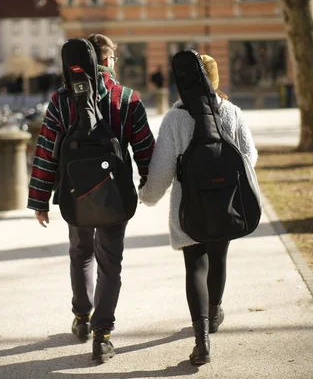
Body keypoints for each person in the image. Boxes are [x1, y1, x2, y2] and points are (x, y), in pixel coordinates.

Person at [28, 34, 155, 363]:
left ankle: (81, 319)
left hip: (75, 197)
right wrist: (148, 187)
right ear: (110, 60)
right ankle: (103, 336)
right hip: (115, 197)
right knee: (110, 265)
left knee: (81, 254)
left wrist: (40, 201)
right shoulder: (126, 98)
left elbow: (46, 153)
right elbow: (145, 150)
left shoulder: (61, 99)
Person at [138, 55, 258, 365]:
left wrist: (148, 197)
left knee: (195, 266)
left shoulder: (175, 120)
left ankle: (201, 341)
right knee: (218, 258)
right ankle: (215, 311)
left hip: (188, 208)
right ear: (215, 81)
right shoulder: (231, 113)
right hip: (226, 204)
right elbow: (249, 157)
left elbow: (162, 168)